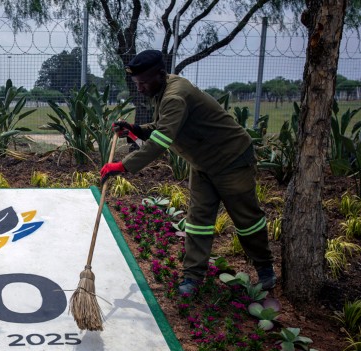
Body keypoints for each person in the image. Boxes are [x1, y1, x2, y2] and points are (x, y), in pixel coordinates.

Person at [100, 49, 276, 295]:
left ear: (161, 74)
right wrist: (136, 129)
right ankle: (192, 278)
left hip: (230, 159)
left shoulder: (175, 96)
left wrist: (123, 166)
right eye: (137, 83)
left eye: (144, 83)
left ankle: (265, 269)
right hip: (203, 162)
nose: (140, 88)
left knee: (247, 220)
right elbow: (165, 126)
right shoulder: (162, 89)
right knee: (198, 222)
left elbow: (161, 141)